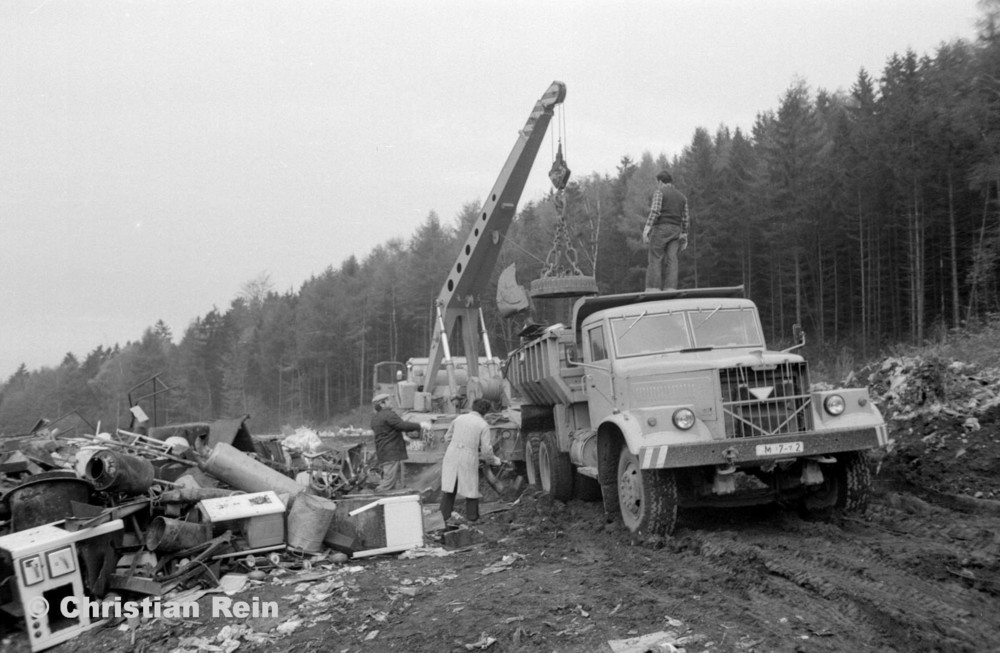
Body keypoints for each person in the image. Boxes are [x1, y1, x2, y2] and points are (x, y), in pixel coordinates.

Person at [439, 398, 502, 524]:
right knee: (471, 487)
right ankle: (472, 518)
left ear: (473, 407)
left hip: (452, 453)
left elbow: (447, 437)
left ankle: (443, 517)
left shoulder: (459, 418)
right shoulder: (483, 425)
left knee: (450, 486)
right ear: (485, 412)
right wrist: (495, 461)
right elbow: (486, 450)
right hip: (468, 455)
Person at [642, 169, 690, 292]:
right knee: (672, 259)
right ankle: (671, 288)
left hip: (661, 228)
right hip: (676, 230)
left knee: (655, 257)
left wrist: (647, 228)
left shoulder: (659, 192)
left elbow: (655, 211)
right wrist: (684, 236)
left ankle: (653, 289)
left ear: (660, 182)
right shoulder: (682, 197)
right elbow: (685, 219)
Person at [370, 393, 425, 492]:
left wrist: (403, 438)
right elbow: (402, 425)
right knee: (388, 482)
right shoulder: (388, 414)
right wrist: (420, 425)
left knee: (391, 479)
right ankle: (374, 498)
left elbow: (387, 432)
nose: (391, 402)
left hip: (383, 452)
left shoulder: (376, 418)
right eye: (388, 400)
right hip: (391, 452)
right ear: (382, 404)